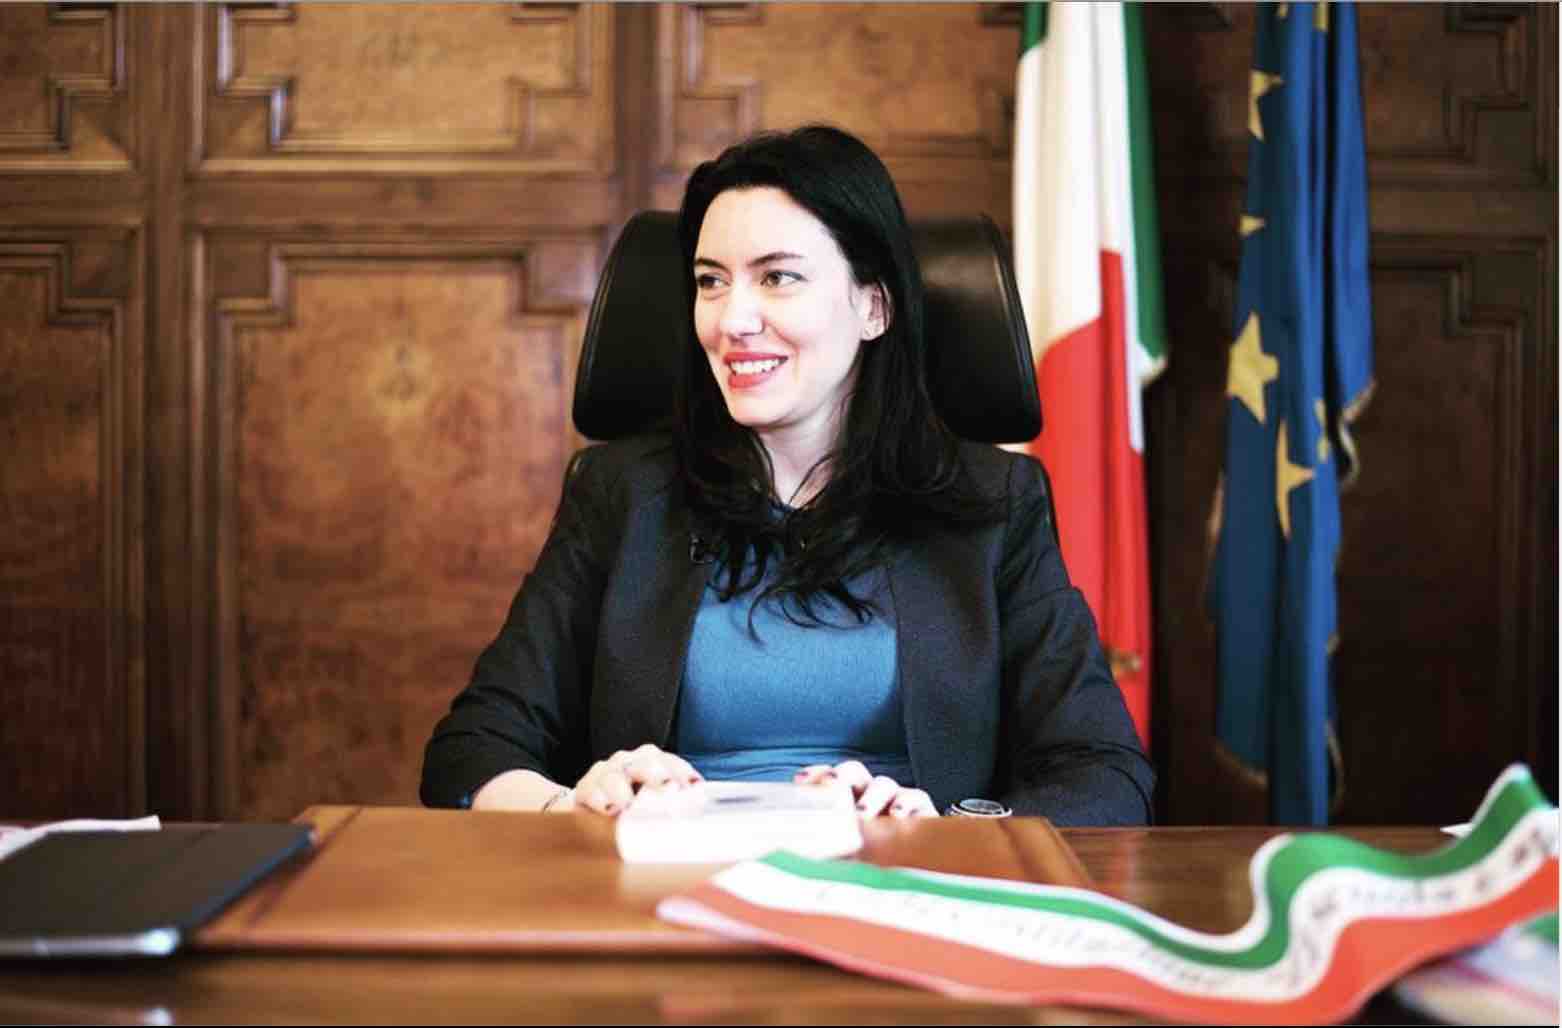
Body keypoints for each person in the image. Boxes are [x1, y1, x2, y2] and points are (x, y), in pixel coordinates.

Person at [420, 125, 1153, 826]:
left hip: (900, 885)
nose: (732, 320)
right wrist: (574, 807)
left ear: (873, 307)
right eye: (711, 281)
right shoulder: (623, 492)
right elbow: (471, 750)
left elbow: (1107, 776)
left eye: (778, 277)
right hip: (665, 886)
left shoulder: (993, 504)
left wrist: (948, 828)